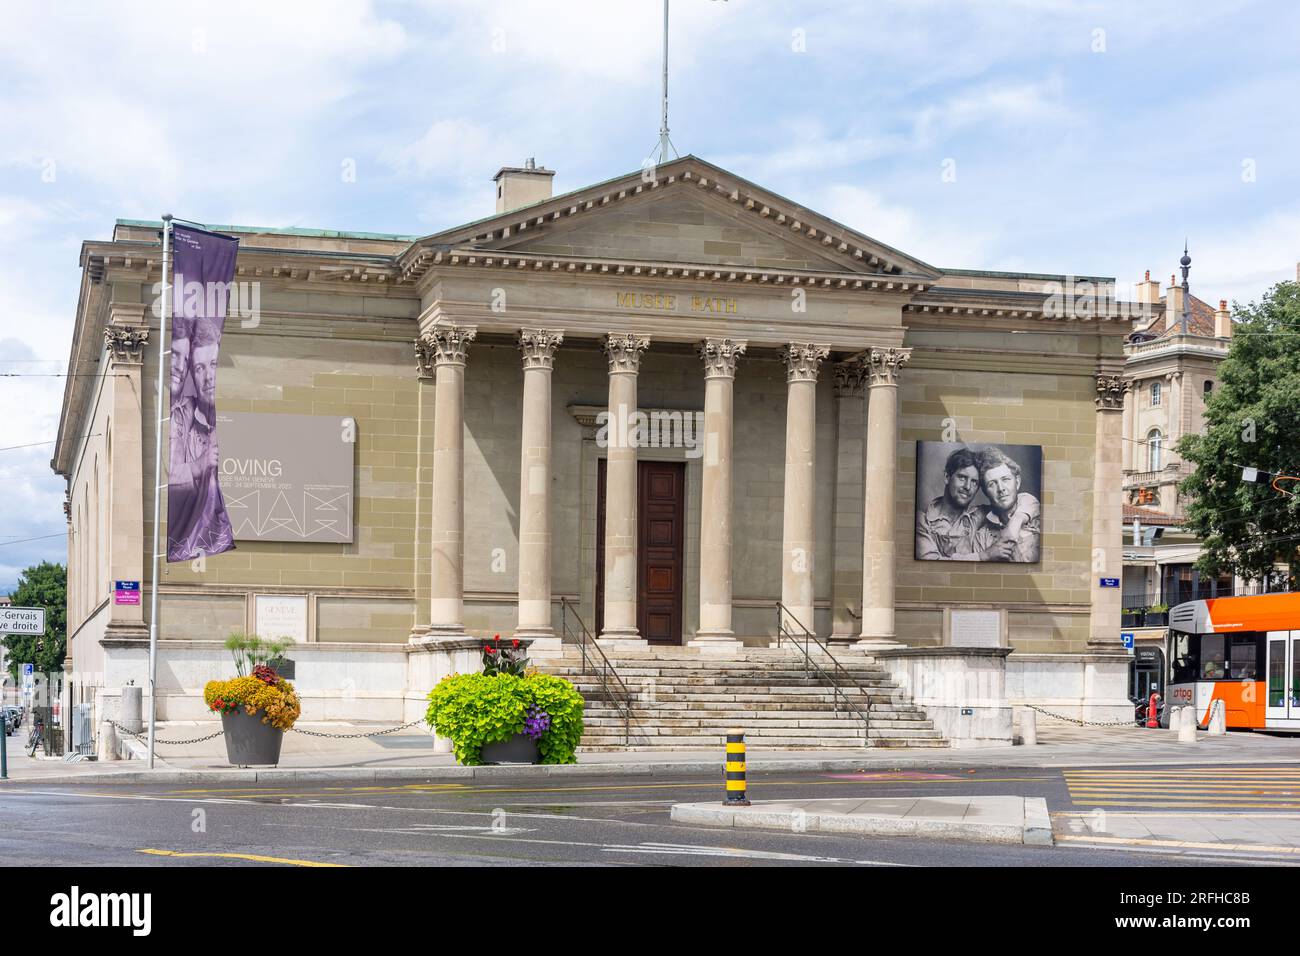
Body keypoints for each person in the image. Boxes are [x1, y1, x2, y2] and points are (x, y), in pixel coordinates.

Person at [972, 447, 1041, 562]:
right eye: (992, 484)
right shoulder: (982, 537)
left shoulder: (1037, 513)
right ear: (985, 492)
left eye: (1005, 479)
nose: (1001, 489)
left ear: (1017, 482)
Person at [916, 447, 986, 560]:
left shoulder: (978, 516)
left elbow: (1018, 503)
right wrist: (985, 556)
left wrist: (1018, 518)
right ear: (947, 477)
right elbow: (931, 564)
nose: (968, 487)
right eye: (962, 478)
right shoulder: (922, 520)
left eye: (974, 482)